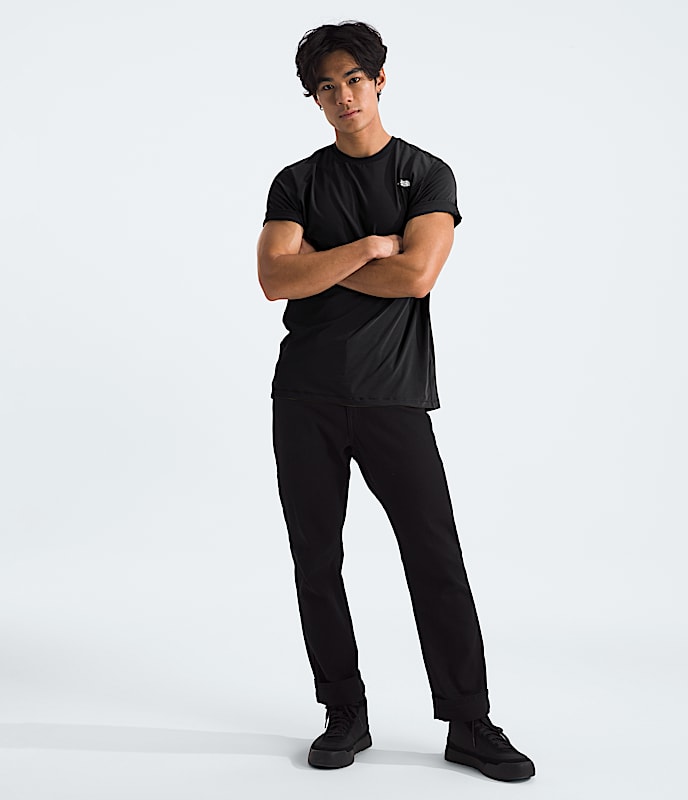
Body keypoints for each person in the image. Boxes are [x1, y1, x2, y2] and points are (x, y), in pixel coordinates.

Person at [257, 20, 535, 782]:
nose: (343, 96)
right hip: (305, 396)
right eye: (326, 87)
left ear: (379, 81)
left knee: (435, 556)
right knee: (316, 560)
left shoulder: (427, 174)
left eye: (354, 80)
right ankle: (343, 712)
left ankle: (469, 722)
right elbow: (275, 279)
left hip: (394, 398)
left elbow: (416, 276)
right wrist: (367, 248)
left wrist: (320, 262)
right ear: (315, 100)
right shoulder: (296, 183)